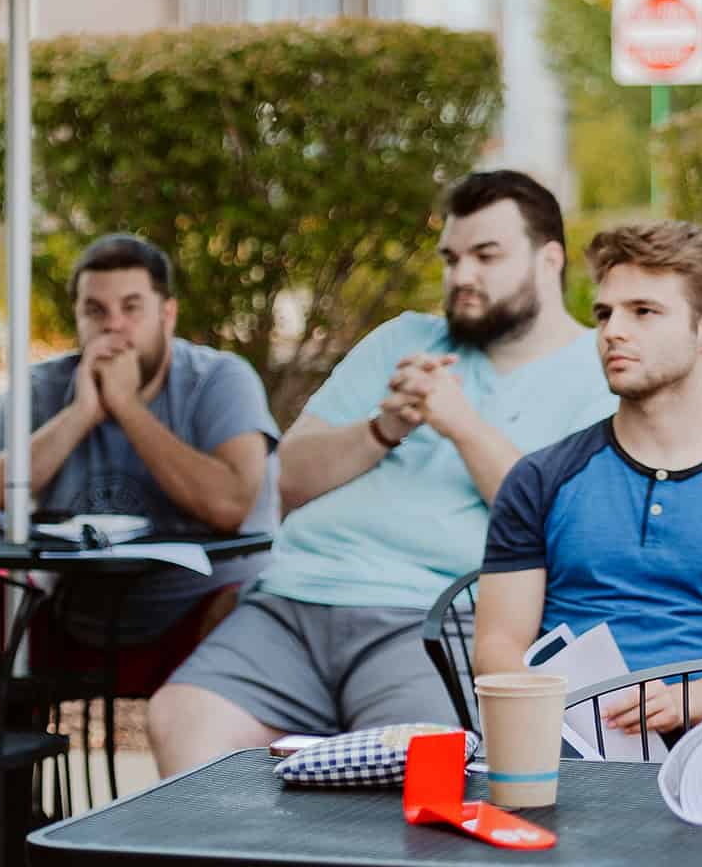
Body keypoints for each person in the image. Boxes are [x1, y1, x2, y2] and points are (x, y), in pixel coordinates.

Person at [149, 170, 617, 777]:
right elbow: (286, 479)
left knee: (420, 776)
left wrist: (462, 424)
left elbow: (563, 528)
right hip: (293, 605)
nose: (462, 277)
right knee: (181, 719)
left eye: (486, 256)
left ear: (549, 259)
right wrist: (383, 426)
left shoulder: (595, 373)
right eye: (451, 258)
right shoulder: (404, 338)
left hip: (427, 620)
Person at [475, 221, 702, 737]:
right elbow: (496, 648)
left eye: (643, 311)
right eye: (604, 313)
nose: (613, 330)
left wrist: (698, 697)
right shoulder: (540, 478)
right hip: (570, 752)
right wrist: (566, 723)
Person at [0, 234, 283, 660]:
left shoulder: (220, 379)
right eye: (95, 311)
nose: (113, 326)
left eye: (131, 308)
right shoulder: (41, 387)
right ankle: (4, 727)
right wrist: (80, 414)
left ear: (168, 315)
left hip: (199, 610)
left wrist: (127, 407)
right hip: (68, 608)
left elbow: (230, 505)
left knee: (253, 614)